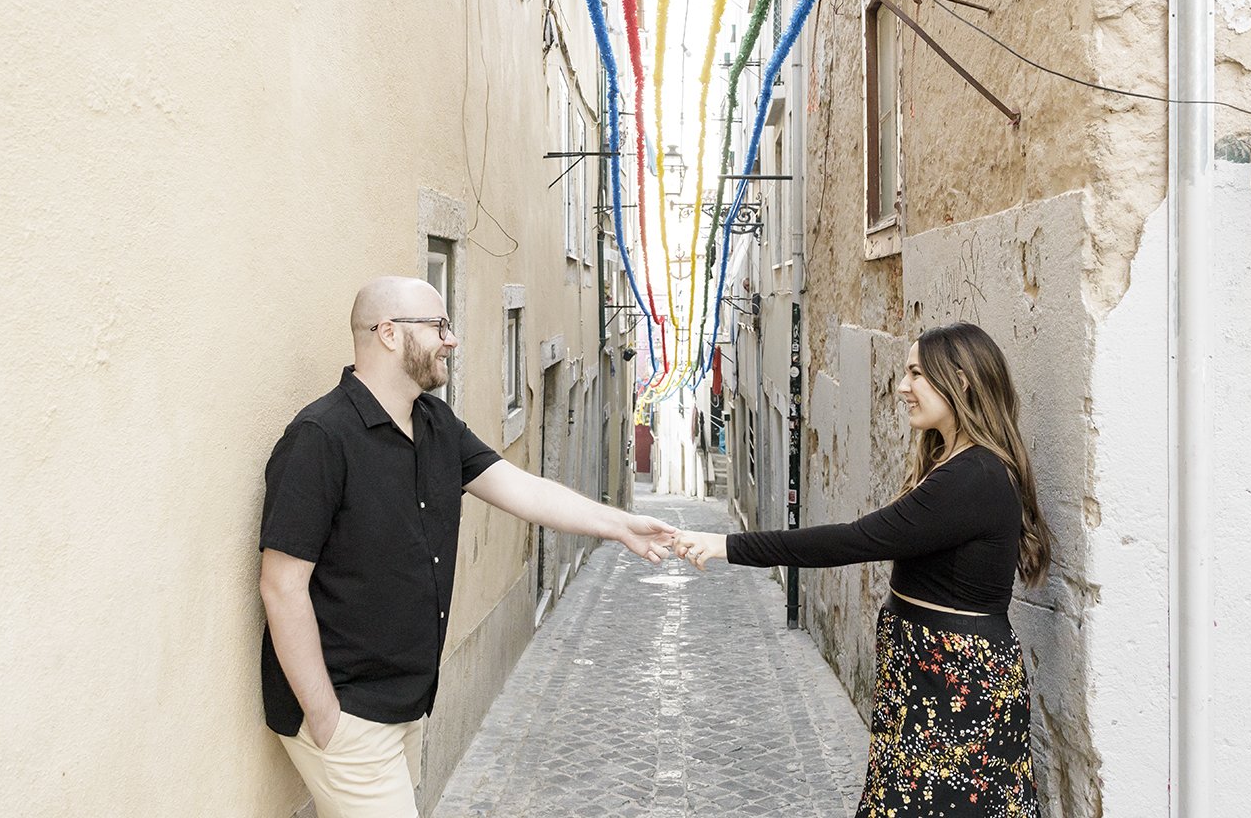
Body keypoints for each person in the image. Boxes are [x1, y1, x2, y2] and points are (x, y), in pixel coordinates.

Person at [258, 275, 676, 818]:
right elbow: (281, 584)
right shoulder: (320, 437)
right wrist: (326, 718)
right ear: (387, 333)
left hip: (404, 703)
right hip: (347, 711)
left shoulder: (436, 424)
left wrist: (618, 525)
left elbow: (523, 489)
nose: (451, 339)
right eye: (439, 326)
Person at [673, 322, 1051, 817]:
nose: (902, 386)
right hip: (929, 680)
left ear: (960, 381)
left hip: (957, 688)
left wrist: (726, 545)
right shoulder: (955, 463)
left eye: (916, 373)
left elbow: (855, 540)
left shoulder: (973, 476)